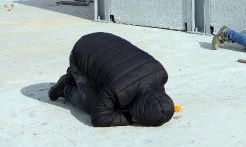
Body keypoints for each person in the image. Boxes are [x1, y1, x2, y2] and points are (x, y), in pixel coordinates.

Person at [48, 32, 176, 127]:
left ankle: (77, 77)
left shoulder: (160, 73)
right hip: (81, 52)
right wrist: (130, 118)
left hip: (105, 39)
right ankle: (66, 88)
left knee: (106, 90)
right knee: (92, 106)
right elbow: (99, 118)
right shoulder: (117, 90)